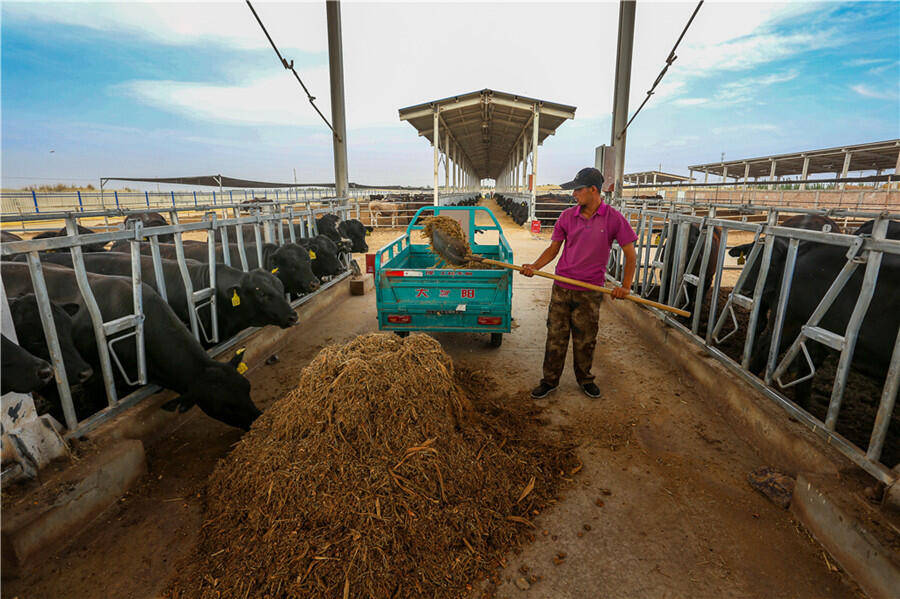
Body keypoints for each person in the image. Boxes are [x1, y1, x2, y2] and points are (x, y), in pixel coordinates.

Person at [521, 167, 638, 399]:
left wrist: (625, 286)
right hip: (562, 287)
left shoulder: (613, 218)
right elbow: (553, 249)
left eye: (578, 190)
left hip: (589, 292)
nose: (574, 195)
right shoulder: (567, 217)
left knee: (585, 339)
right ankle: (550, 380)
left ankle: (585, 379)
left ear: (593, 190)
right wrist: (535, 267)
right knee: (555, 336)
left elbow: (630, 254)